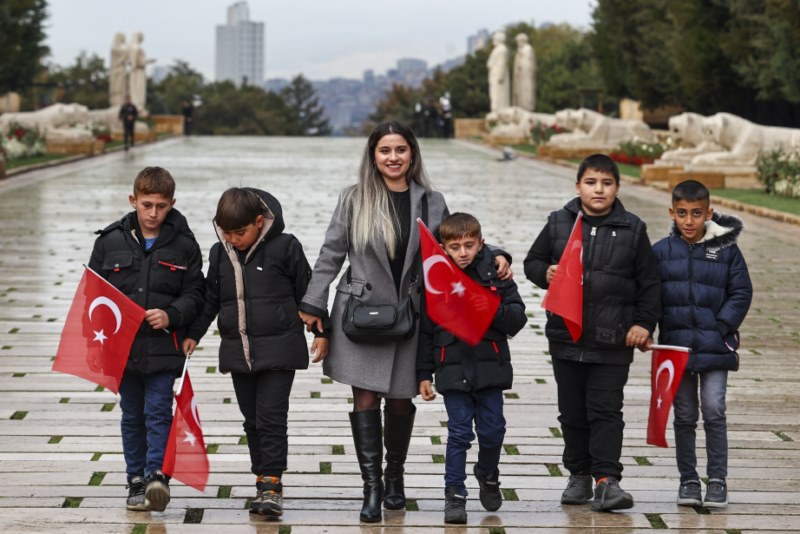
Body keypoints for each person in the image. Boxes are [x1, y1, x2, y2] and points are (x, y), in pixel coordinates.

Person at [298, 120, 511, 523]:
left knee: (399, 400)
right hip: (360, 315)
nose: (393, 158)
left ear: (412, 154)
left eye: (400, 150)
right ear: (373, 156)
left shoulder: (431, 200)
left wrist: (499, 253)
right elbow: (331, 253)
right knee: (364, 398)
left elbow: (456, 241)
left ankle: (394, 477)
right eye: (384, 151)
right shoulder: (354, 198)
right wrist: (313, 301)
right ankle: (372, 489)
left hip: (410, 314)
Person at [523, 153, 661, 512]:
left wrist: (643, 324)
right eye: (591, 182)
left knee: (605, 409)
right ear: (578, 186)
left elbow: (650, 284)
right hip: (566, 336)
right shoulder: (559, 223)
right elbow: (532, 262)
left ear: (617, 187)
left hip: (612, 339)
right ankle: (579, 474)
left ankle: (607, 479)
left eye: (607, 183)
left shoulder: (634, 228)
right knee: (571, 412)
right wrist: (546, 273)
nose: (598, 189)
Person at [183, 187, 323, 517]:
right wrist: (193, 334)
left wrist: (321, 332)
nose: (232, 238)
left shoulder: (286, 247)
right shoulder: (220, 254)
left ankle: (272, 484)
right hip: (238, 352)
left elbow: (309, 291)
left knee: (272, 418)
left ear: (259, 222)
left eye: (239, 232)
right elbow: (210, 301)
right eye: (225, 232)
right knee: (253, 421)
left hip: (280, 352)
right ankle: (261, 478)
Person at [88, 166, 204, 512]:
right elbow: (92, 296)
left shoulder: (184, 245)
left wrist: (172, 315)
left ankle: (157, 476)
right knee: (131, 415)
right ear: (133, 200)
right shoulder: (109, 241)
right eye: (147, 205)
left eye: (161, 206)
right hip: (123, 349)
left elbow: (196, 292)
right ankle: (135, 479)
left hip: (163, 347)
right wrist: (94, 345)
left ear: (172, 204)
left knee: (157, 412)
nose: (153, 213)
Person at [417, 212, 527, 524]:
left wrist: (490, 308)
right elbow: (426, 332)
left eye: (469, 245)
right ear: (443, 248)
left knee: (493, 431)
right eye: (455, 247)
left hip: (490, 369)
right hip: (452, 370)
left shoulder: (495, 274)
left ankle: (487, 473)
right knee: (459, 433)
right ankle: (455, 493)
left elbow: (518, 319)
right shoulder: (435, 279)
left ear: (481, 244)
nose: (463, 252)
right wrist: (424, 374)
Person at [651, 180, 752, 508]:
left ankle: (718, 479)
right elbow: (648, 295)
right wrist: (646, 328)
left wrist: (721, 325)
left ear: (709, 213)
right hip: (676, 349)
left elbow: (741, 291)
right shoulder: (660, 252)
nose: (689, 220)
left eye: (697, 213)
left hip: (715, 347)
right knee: (683, 414)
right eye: (682, 213)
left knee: (714, 409)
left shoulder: (726, 250)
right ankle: (689, 480)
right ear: (672, 213)